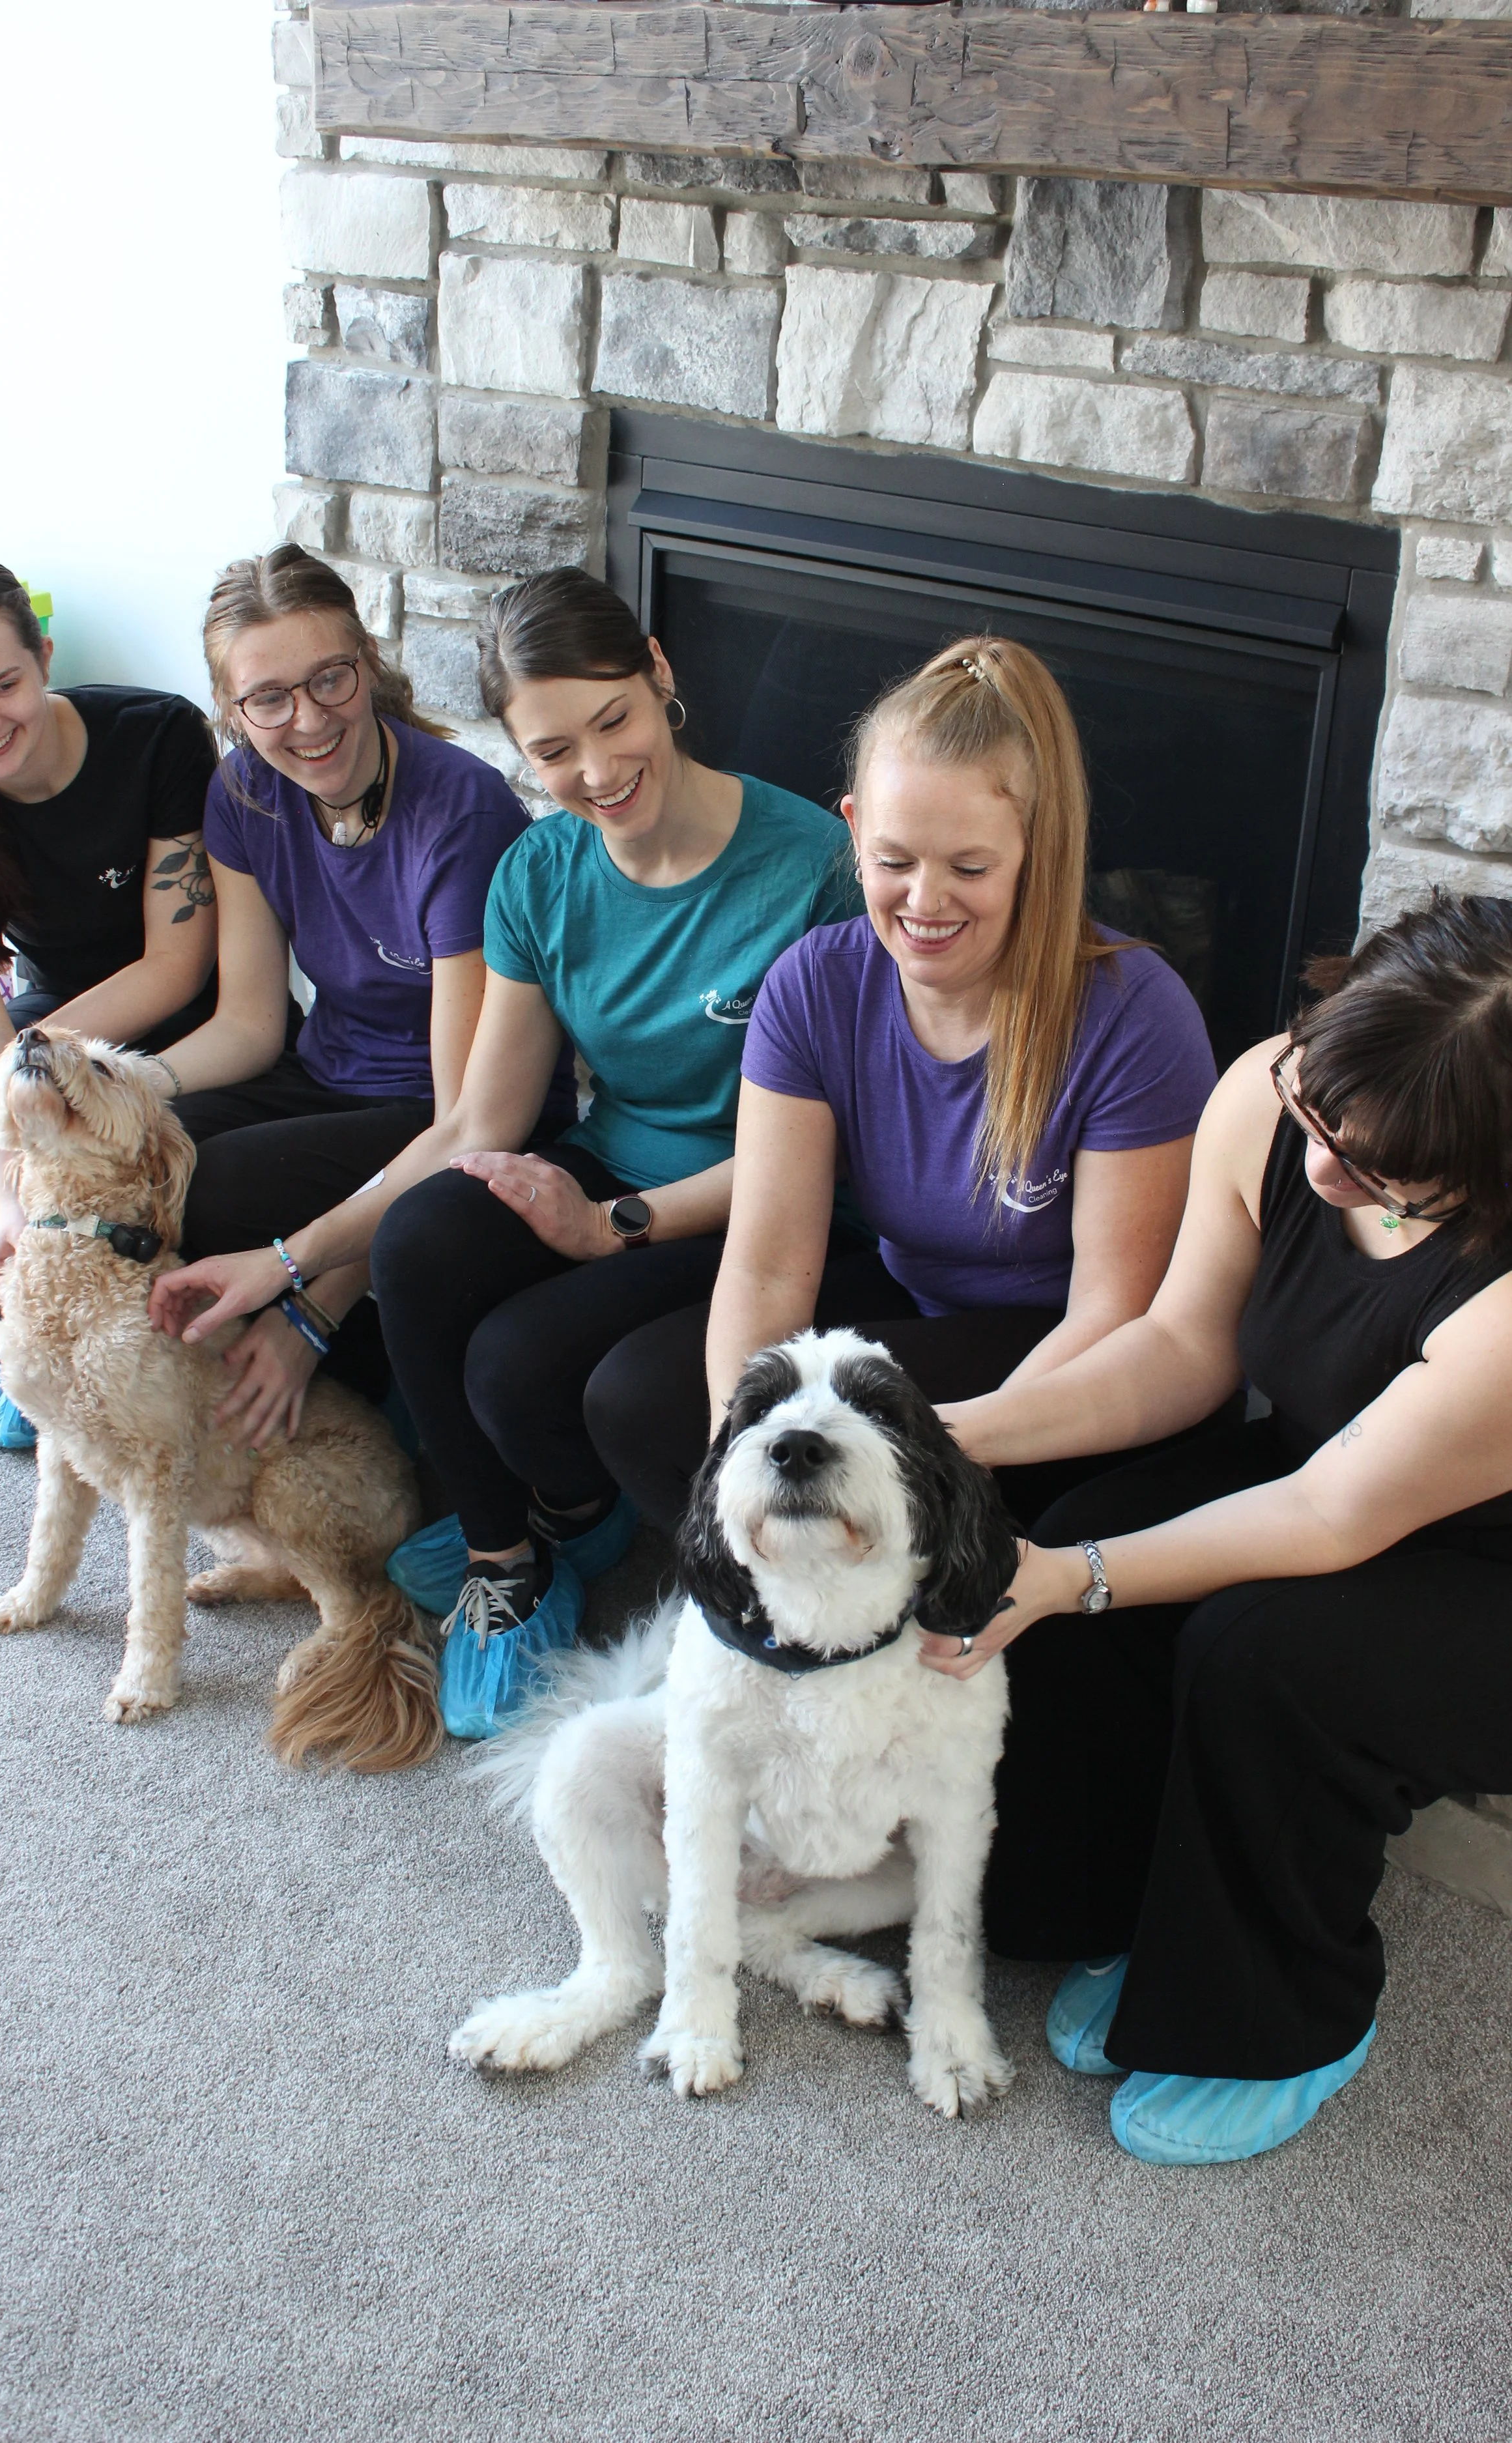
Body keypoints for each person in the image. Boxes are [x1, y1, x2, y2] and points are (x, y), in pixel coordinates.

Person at [150, 567, 861, 1727]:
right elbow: (479, 1122)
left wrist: (612, 1225)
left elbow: (823, 1155)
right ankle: (507, 1564)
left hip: (751, 1194)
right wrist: (289, 1266)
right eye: (552, 749)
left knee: (512, 1370)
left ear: (660, 672)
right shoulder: (539, 872)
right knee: (424, 1240)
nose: (594, 771)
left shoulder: (808, 868)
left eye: (613, 720)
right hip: (608, 1154)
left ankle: (577, 1515)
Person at [916, 889, 1512, 2168]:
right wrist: (958, 1428)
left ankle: (1285, 2016)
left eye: (1375, 1175)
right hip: (1330, 1474)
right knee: (1097, 1527)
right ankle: (1141, 1902)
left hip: (1483, 1571)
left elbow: (1332, 1515)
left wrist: (1066, 1578)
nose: (1319, 1172)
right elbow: (1184, 1349)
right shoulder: (1267, 1088)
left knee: (1260, 1652)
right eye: (1316, 1120)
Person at [588, 635, 1217, 1536]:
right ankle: (788, 1620)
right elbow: (766, 1267)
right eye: (895, 861)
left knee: (887, 1472)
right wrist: (748, 1449)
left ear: (1036, 852)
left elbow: (1115, 1313)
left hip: (1065, 1352)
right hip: (910, 1300)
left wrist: (934, 1463)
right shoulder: (814, 984)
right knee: (638, 1396)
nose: (925, 901)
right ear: (851, 829)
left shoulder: (1135, 1013)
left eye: (968, 867)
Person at [146, 543, 557, 1444]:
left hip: (442, 1104)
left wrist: (309, 1312)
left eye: (329, 677)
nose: (309, 719)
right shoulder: (243, 793)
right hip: (328, 1070)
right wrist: (119, 1083)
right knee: (146, 1156)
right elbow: (252, 1023)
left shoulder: (462, 811)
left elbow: (463, 1123)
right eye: (268, 698)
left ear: (366, 661)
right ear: (233, 711)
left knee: (214, 1188)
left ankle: (350, 1350)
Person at [0, 552, 218, 1447]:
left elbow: (177, 964)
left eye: (4, 685)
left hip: (185, 1010)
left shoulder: (158, 735)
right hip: (48, 1009)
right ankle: (8, 1346)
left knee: (147, 1143)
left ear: (45, 656)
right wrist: (12, 1194)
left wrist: (38, 1070)